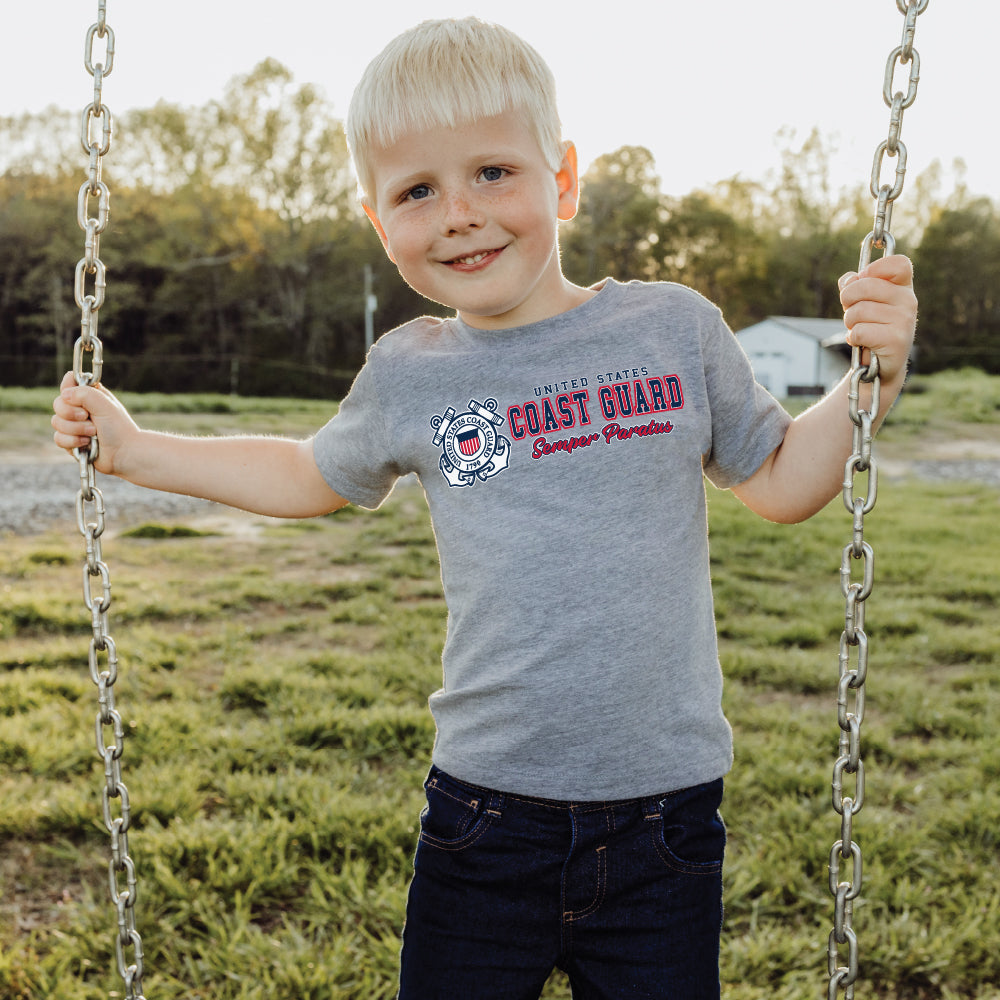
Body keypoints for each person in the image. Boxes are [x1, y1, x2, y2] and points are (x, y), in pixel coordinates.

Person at [52, 17, 918, 999]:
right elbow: (305, 474)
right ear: (382, 224)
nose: (458, 213)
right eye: (417, 190)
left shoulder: (673, 329)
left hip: (662, 824)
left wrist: (864, 387)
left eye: (493, 173)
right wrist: (136, 451)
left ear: (563, 179)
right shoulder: (410, 373)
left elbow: (779, 482)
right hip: (483, 819)